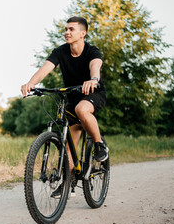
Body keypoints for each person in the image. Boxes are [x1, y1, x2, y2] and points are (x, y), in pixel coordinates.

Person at [21, 16, 109, 198]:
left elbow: (95, 67)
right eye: (66, 29)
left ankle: (99, 145)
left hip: (93, 94)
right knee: (69, 145)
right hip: (74, 97)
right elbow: (45, 68)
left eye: (71, 29)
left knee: (81, 110)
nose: (66, 32)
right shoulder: (61, 52)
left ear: (82, 33)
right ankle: (68, 181)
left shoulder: (92, 51)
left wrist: (93, 80)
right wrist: (31, 83)